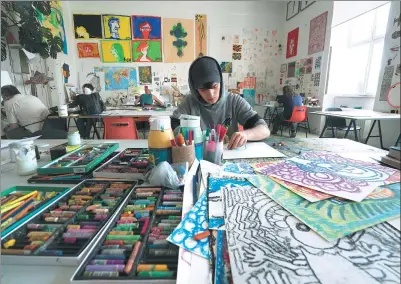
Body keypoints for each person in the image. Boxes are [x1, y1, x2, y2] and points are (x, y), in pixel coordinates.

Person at [172, 56, 270, 150]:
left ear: (221, 82)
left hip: (229, 155)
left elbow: (264, 130)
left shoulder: (234, 101)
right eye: (203, 89)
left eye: (215, 86)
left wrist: (245, 134)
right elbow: (172, 127)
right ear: (195, 89)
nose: (210, 94)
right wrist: (205, 138)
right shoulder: (189, 103)